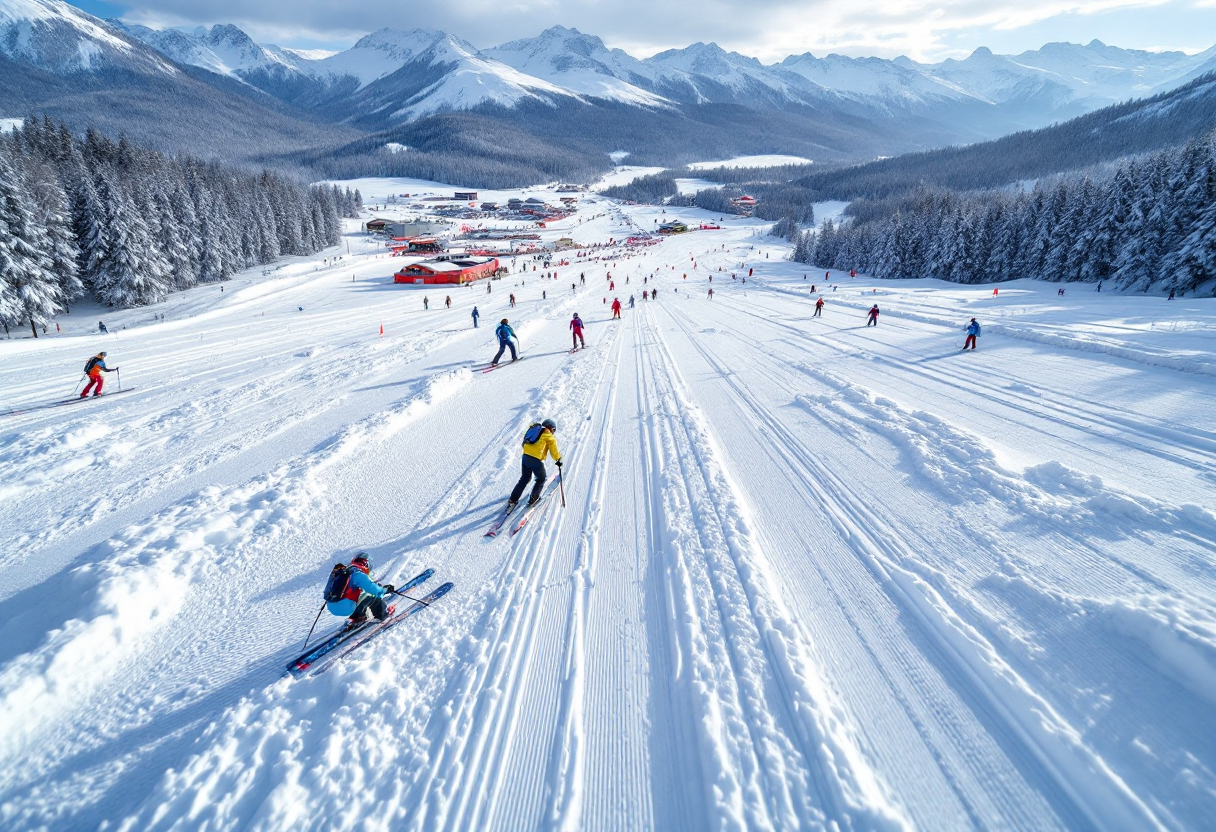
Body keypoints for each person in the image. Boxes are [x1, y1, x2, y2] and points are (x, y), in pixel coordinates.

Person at [324, 554, 395, 627]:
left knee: (360, 596)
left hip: (331, 607)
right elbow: (374, 590)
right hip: (346, 608)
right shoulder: (357, 573)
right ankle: (382, 615)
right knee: (371, 596)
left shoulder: (341, 573)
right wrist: (385, 590)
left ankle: (360, 616)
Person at [508, 419, 562, 509]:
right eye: (554, 430)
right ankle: (534, 499)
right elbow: (554, 451)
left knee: (525, 478)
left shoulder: (534, 431)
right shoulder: (549, 436)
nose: (553, 432)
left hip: (525, 457)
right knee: (541, 479)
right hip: (535, 459)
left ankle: (513, 500)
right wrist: (558, 459)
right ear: (551, 428)